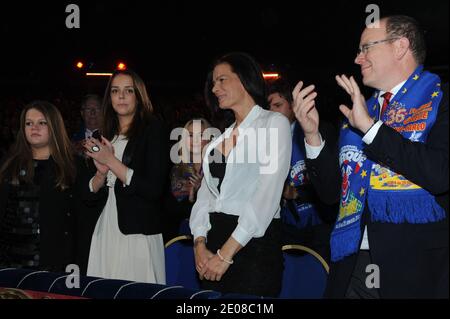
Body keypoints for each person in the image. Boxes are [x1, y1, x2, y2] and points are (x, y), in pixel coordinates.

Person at [293, 15, 448, 298]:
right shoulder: (362, 110)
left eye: (366, 48)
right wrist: (312, 136)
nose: (357, 58)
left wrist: (370, 129)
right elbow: (330, 196)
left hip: (417, 267)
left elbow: (440, 174)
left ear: (400, 46)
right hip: (351, 263)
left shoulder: (441, 100)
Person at [190, 52, 292, 297]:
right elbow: (206, 197)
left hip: (253, 249)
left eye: (222, 80)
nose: (215, 88)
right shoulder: (218, 141)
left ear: (244, 79)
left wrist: (225, 255)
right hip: (212, 248)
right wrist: (200, 244)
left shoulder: (273, 123)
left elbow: (266, 198)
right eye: (213, 82)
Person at [82, 69, 169, 284]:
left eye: (128, 90)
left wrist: (110, 161)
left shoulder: (154, 130)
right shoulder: (103, 135)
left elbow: (153, 189)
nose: (121, 96)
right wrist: (101, 175)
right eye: (115, 91)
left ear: (139, 96)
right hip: (106, 226)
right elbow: (87, 194)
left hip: (138, 231)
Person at [0, 101, 79, 272]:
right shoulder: (8, 164)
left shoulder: (72, 168)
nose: (34, 128)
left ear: (54, 126)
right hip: (9, 263)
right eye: (29, 123)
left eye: (41, 123)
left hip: (53, 264)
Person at [268, 79, 337, 261]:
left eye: (278, 105)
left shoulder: (320, 129)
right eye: (270, 107)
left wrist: (298, 193)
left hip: (320, 222)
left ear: (293, 106)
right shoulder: (268, 139)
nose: (272, 111)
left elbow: (332, 178)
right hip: (288, 224)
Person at [163, 118, 211, 241]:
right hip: (178, 238)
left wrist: (202, 190)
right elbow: (169, 210)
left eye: (200, 135)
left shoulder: (215, 167)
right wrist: (191, 197)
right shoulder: (175, 168)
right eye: (190, 135)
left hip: (209, 235)